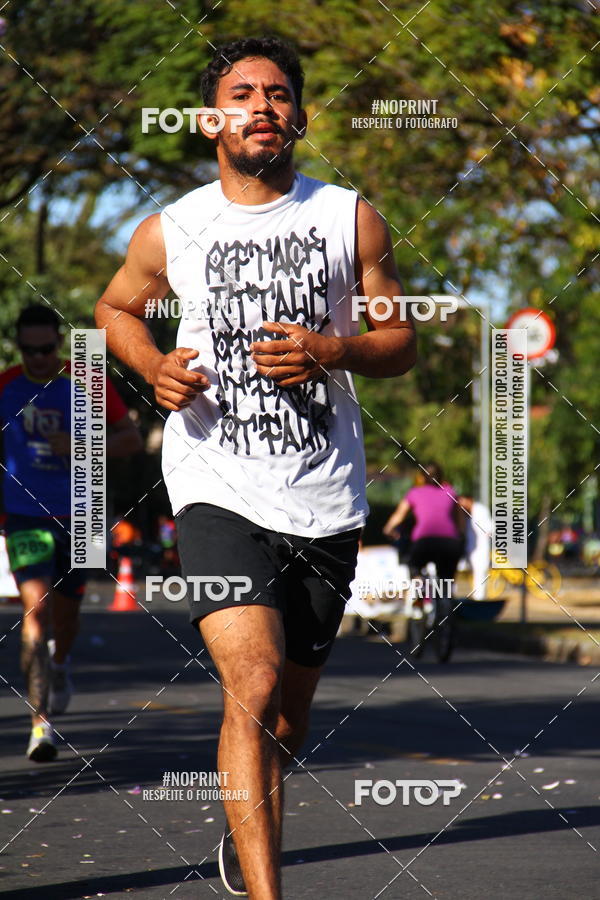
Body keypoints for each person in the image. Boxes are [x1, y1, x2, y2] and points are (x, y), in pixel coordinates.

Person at [95, 35, 416, 899]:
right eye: (243, 94)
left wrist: (334, 348)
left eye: (278, 95)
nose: (262, 106)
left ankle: (249, 819)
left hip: (324, 494)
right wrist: (150, 363)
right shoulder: (175, 226)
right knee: (255, 679)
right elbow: (118, 306)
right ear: (211, 120)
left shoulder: (349, 217)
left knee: (288, 712)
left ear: (300, 116)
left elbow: (400, 342)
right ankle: (267, 891)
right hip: (214, 485)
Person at [0, 304, 142, 762]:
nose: (38, 358)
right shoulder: (5, 386)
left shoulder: (87, 380)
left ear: (59, 344)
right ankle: (41, 726)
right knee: (36, 614)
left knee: (67, 618)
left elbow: (131, 441)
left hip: (84, 515)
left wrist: (82, 444)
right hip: (24, 514)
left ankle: (61, 666)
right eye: (28, 350)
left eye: (45, 349)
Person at [383, 463, 464, 600]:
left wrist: (388, 529)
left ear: (422, 477)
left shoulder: (415, 492)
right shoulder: (450, 491)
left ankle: (420, 586)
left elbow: (399, 515)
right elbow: (460, 521)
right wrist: (460, 537)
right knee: (446, 579)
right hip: (450, 543)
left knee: (413, 564)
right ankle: (445, 610)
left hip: (424, 542)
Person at [458, 495, 493, 600]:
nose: (462, 505)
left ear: (470, 500)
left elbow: (489, 528)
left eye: (463, 502)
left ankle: (479, 599)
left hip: (480, 549)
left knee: (480, 574)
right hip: (469, 549)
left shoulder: (480, 510)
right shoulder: (464, 514)